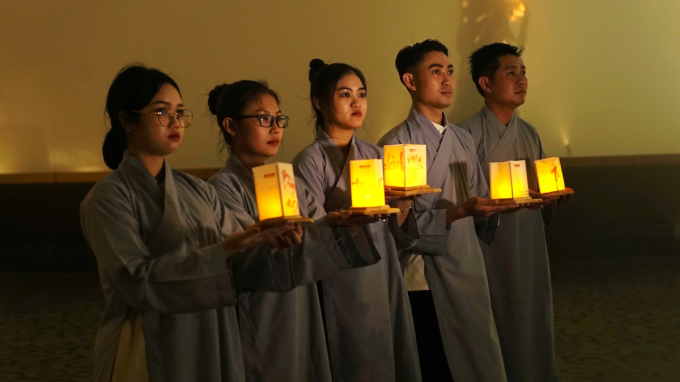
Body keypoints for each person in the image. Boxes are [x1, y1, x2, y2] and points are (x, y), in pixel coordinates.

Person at [80, 64, 308, 382]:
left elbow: (241, 261)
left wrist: (278, 242)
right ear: (128, 120)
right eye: (161, 112)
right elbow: (134, 282)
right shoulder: (108, 197)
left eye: (179, 112)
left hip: (209, 328)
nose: (175, 121)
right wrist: (223, 251)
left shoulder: (197, 190)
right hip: (148, 338)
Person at [206, 80, 382, 382]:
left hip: (302, 304)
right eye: (263, 119)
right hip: (261, 308)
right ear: (230, 126)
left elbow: (318, 236)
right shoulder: (222, 189)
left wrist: (340, 224)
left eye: (279, 119)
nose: (275, 128)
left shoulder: (292, 184)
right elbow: (241, 258)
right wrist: (289, 239)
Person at [378, 40, 517, 382]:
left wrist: (496, 207)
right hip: (423, 274)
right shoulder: (394, 144)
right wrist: (455, 213)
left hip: (467, 265)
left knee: (476, 357)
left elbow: (478, 200)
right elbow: (396, 226)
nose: (447, 80)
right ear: (410, 81)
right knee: (435, 364)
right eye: (435, 71)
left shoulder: (462, 139)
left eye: (450, 71)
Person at [291, 59, 422, 382]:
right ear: (320, 103)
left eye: (361, 94)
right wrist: (352, 212)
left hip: (382, 267)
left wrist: (403, 202)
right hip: (342, 276)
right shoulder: (309, 160)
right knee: (352, 357)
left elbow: (397, 227)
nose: (356, 103)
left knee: (389, 348)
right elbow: (312, 232)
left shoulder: (375, 154)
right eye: (345, 95)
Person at [457, 42, 570, 382]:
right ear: (485, 84)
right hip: (490, 249)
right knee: (496, 324)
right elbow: (463, 202)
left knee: (532, 320)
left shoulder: (530, 132)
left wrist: (549, 200)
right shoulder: (466, 135)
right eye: (511, 73)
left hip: (529, 244)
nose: (521, 80)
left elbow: (540, 190)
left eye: (523, 73)